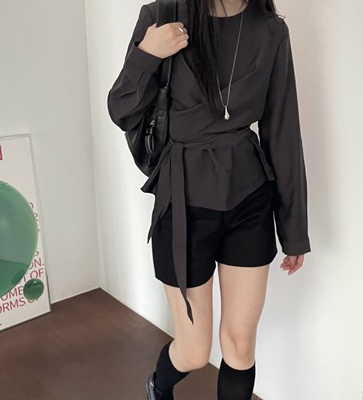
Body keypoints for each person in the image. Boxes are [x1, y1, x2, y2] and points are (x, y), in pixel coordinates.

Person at [107, 0, 311, 398]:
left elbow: (283, 130)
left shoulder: (270, 30)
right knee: (194, 351)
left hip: (249, 198)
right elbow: (121, 109)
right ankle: (158, 386)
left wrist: (294, 230)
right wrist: (147, 55)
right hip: (182, 199)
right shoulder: (162, 16)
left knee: (240, 344)